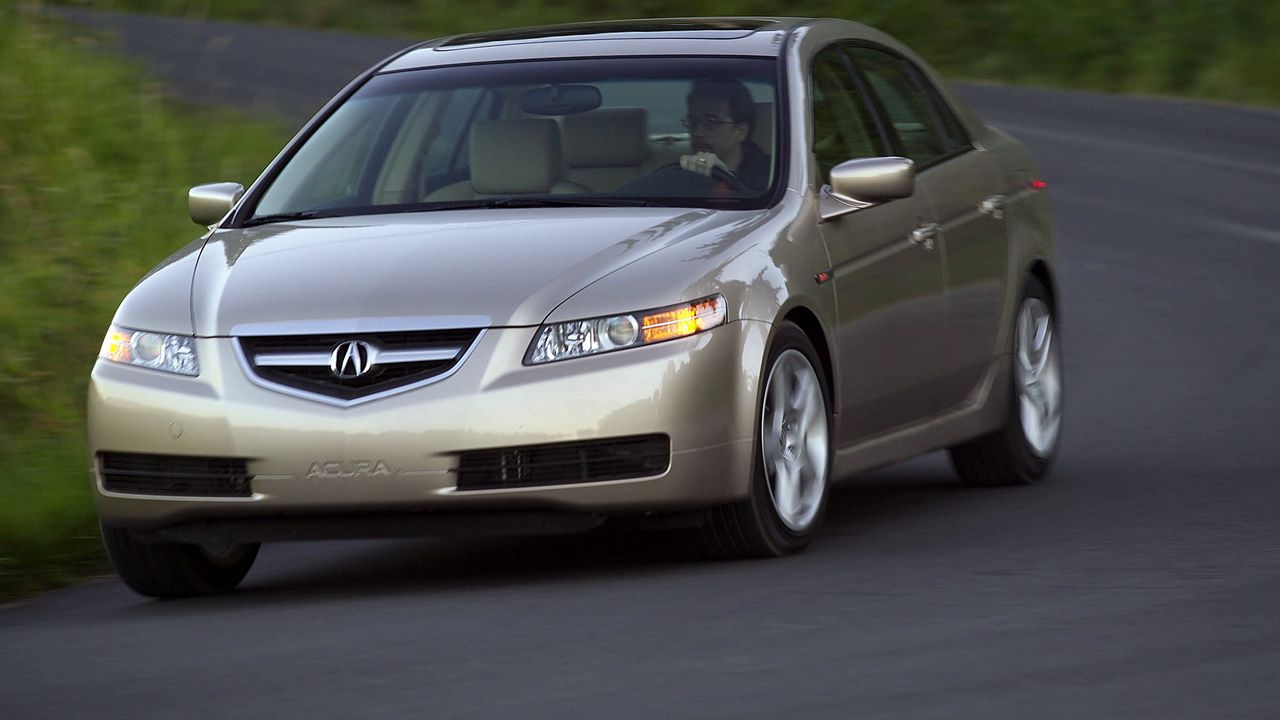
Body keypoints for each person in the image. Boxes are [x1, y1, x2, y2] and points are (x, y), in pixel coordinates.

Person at [678, 78, 770, 190]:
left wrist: (730, 181)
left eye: (711, 121)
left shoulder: (772, 181)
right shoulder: (678, 175)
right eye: (693, 121)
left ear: (741, 131)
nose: (697, 132)